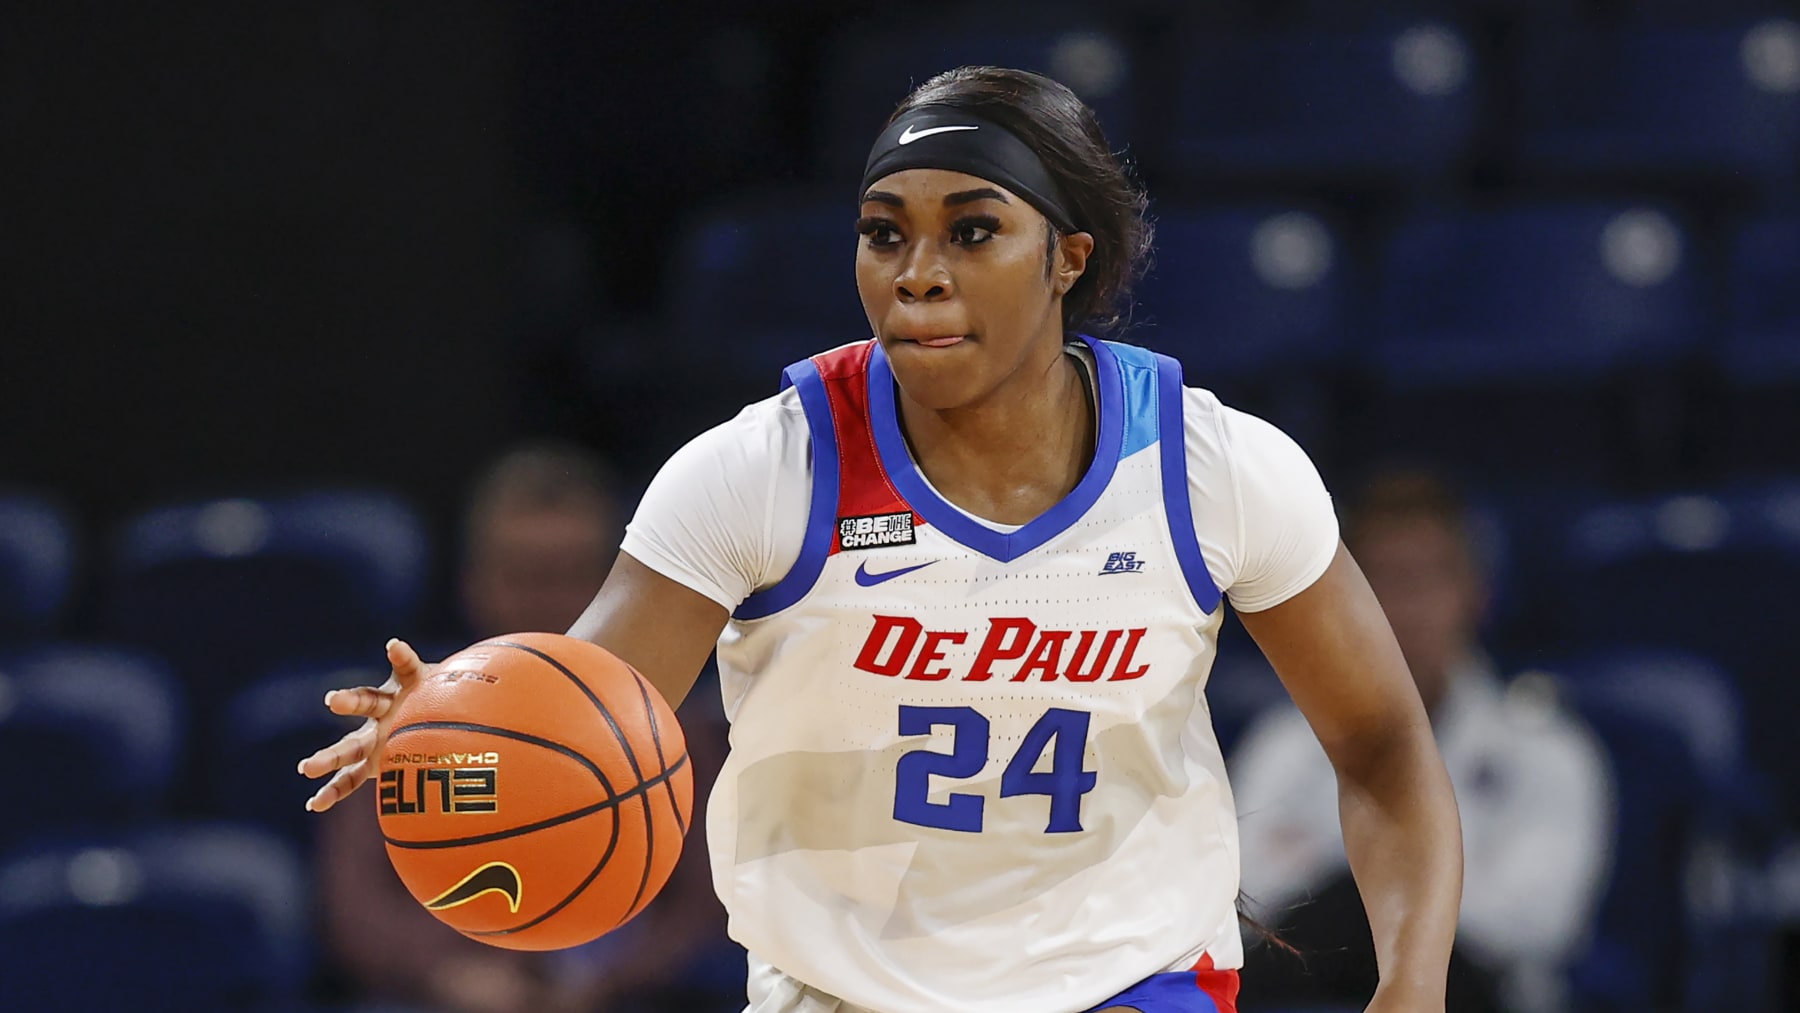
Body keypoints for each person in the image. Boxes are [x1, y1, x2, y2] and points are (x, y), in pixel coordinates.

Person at [301, 67, 1464, 1013]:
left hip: (1134, 983)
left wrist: (1411, 983)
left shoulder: (1210, 467)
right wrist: (464, 725)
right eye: (883, 233)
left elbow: (1381, 743)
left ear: (1068, 257)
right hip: (842, 993)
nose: (918, 275)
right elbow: (585, 717)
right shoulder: (760, 470)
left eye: (972, 231)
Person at [315, 441, 734, 1012]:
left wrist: (613, 980)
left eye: (568, 575)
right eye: (524, 575)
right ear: (474, 583)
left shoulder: (669, 713)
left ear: (615, 584)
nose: (546, 599)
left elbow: (708, 899)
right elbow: (356, 899)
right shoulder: (410, 714)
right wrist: (445, 972)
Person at [1231, 468, 1615, 1012]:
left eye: (1426, 581)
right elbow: (1243, 895)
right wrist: (1422, 880)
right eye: (1384, 581)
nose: (1405, 608)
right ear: (1343, 598)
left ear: (1475, 594)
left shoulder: (1546, 751)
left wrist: (1348, 873)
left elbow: (1539, 921)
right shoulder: (1282, 743)